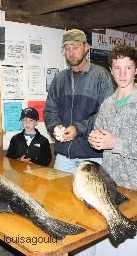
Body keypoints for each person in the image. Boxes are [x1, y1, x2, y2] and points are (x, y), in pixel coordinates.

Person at [86, 45, 137, 255]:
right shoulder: (108, 104)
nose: (122, 73)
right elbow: (99, 132)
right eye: (117, 68)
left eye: (127, 67)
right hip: (113, 183)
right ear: (111, 70)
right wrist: (95, 138)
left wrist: (115, 143)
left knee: (132, 247)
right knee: (110, 245)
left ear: (136, 69)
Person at [43, 29, 114, 173]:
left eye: (75, 47)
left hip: (92, 156)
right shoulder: (59, 79)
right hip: (63, 156)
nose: (71, 52)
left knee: (91, 196)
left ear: (86, 47)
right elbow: (50, 110)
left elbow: (107, 115)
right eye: (67, 49)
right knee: (60, 195)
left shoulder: (102, 76)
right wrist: (55, 127)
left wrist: (78, 129)